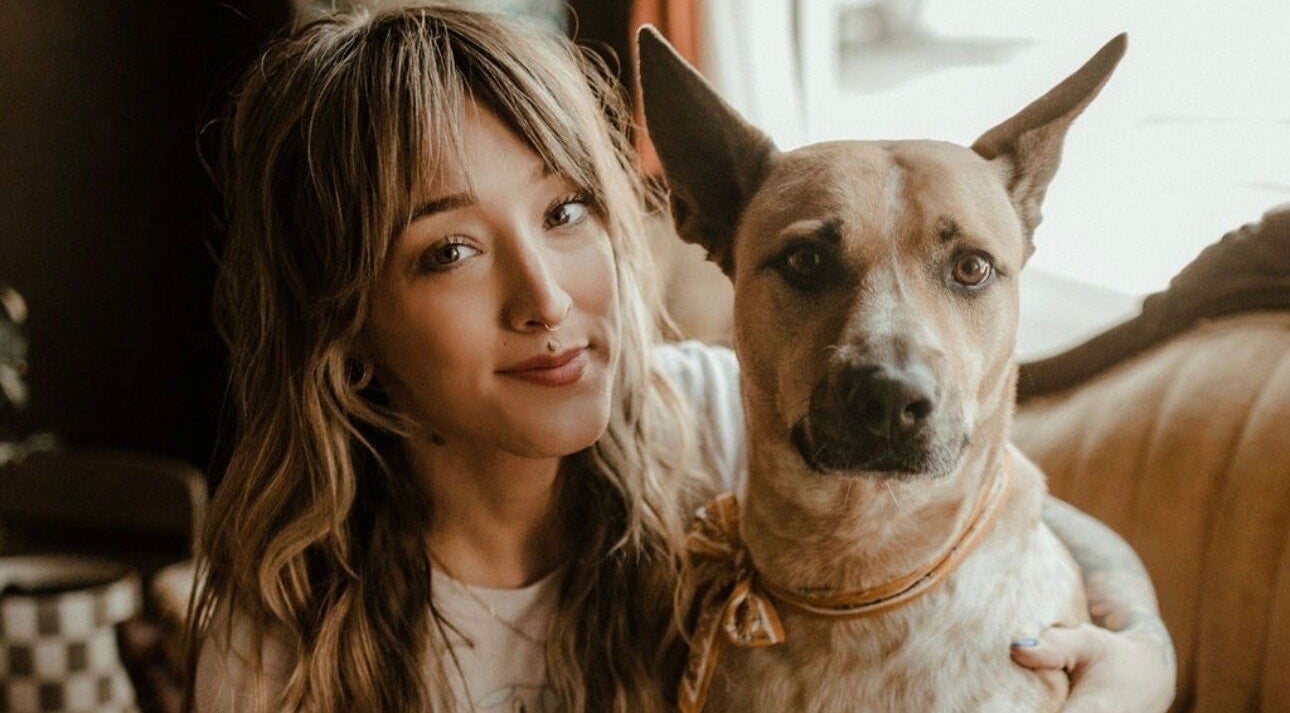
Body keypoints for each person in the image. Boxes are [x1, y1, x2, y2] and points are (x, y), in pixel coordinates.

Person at [189, 5, 1175, 713]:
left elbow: (1024, 502)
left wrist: (1141, 653)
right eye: (449, 251)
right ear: (346, 321)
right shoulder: (285, 634)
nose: (546, 297)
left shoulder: (706, 412)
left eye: (563, 211)